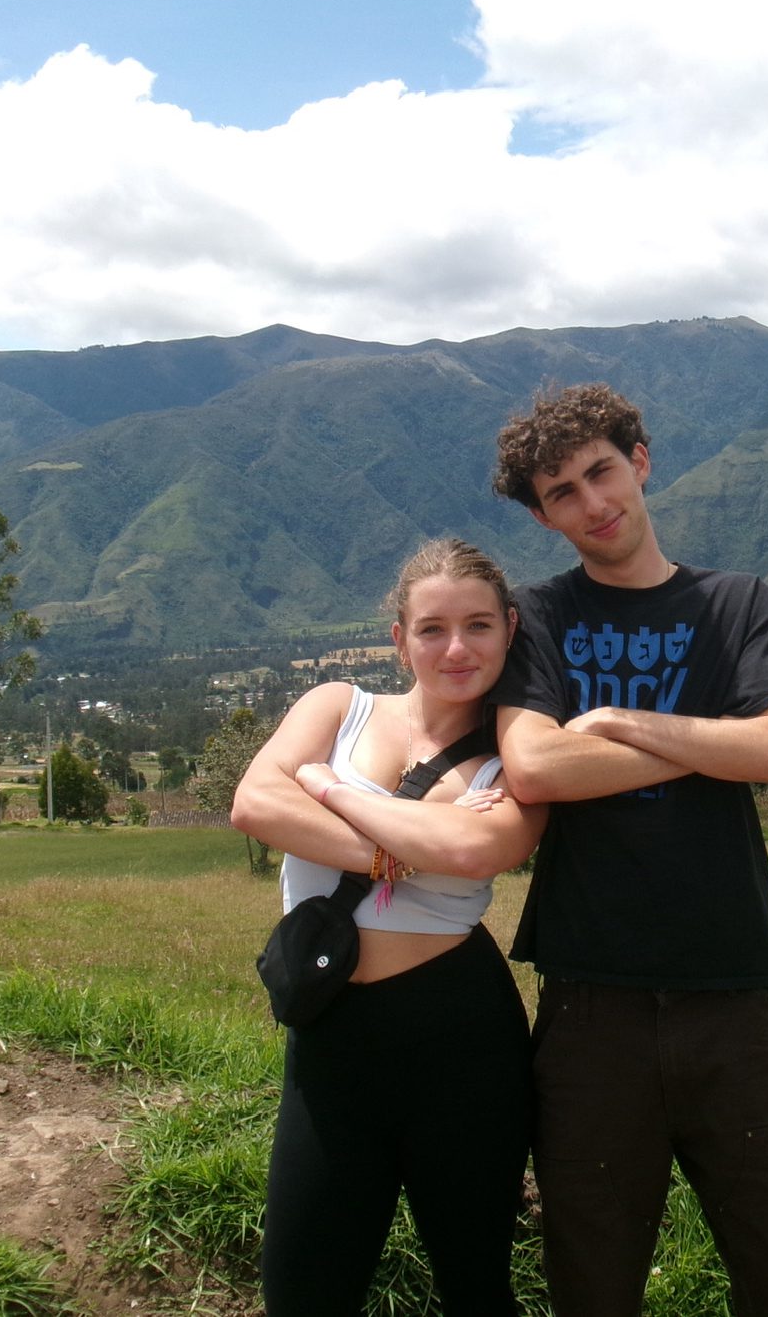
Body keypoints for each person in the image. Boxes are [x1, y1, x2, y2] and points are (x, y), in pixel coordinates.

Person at [486, 383, 768, 1316]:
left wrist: (623, 721)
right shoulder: (540, 618)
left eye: (601, 471)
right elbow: (533, 768)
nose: (593, 503)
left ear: (639, 461)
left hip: (737, 1000)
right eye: (563, 492)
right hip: (591, 1003)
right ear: (541, 515)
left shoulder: (737, 605)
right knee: (592, 1286)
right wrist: (714, 741)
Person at [230, 538, 546, 1317]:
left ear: (509, 628)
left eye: (478, 625)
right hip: (332, 1033)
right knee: (302, 1292)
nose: (456, 647)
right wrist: (397, 850)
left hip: (462, 1040)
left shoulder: (519, 755)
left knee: (475, 1286)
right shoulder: (338, 706)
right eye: (432, 628)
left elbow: (476, 848)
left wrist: (328, 788)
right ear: (398, 638)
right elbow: (256, 805)